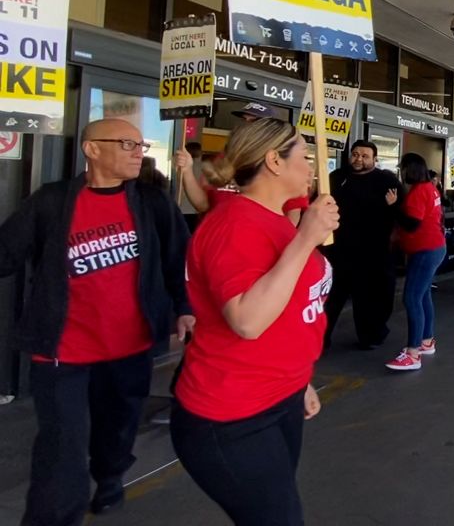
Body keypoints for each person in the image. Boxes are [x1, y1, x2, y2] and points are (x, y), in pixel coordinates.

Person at [0, 118, 192, 525]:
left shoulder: (152, 203)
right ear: (91, 149)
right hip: (61, 353)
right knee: (61, 448)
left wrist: (185, 307)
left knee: (116, 431)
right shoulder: (52, 202)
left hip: (130, 349)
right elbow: (7, 253)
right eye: (127, 144)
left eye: (140, 145)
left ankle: (109, 475)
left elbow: (179, 260)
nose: (139, 151)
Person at [170, 117, 339, 526]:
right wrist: (305, 241)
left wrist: (299, 381)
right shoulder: (234, 225)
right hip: (231, 416)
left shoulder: (275, 219)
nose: (313, 167)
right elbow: (248, 320)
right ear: (274, 162)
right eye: (305, 156)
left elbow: (290, 310)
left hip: (278, 397)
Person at [323, 140, 402, 349]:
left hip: (371, 253)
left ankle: (370, 336)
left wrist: (390, 207)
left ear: (375, 159)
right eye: (355, 154)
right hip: (336, 251)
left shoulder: (386, 180)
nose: (359, 159)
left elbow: (402, 214)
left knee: (367, 299)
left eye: (365, 156)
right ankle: (319, 339)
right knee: (330, 299)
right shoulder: (336, 177)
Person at [174, 103, 309, 224]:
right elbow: (202, 204)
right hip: (217, 240)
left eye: (254, 121)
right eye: (245, 120)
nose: (247, 125)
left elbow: (293, 216)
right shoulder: (224, 159)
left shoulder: (280, 164)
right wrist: (187, 169)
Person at [385, 154, 448, 371]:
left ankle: (413, 353)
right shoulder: (429, 188)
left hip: (425, 250)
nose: (400, 172)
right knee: (423, 295)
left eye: (402, 168)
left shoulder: (419, 192)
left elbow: (412, 224)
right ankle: (426, 341)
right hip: (433, 248)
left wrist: (393, 207)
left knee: (411, 298)